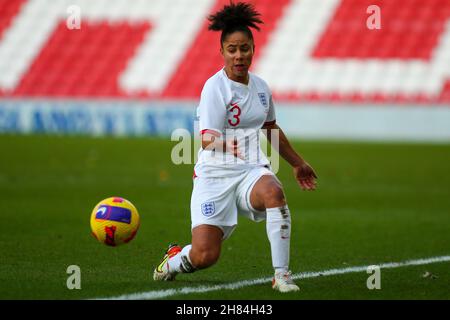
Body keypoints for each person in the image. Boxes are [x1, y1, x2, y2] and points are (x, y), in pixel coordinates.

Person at [153, 1, 317, 292]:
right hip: (214, 175)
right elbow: (206, 138)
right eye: (232, 49)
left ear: (253, 49)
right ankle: (174, 260)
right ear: (222, 52)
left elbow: (270, 128)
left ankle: (281, 275)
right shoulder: (215, 88)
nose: (239, 56)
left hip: (250, 170)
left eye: (245, 49)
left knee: (274, 193)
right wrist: (226, 143)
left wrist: (298, 163)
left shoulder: (262, 88)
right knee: (205, 255)